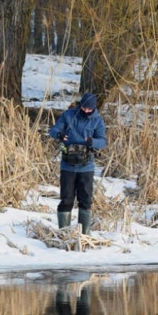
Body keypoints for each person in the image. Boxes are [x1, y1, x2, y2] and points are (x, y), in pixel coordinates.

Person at [49, 93, 107, 235]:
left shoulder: (98, 121)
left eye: (89, 109)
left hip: (86, 167)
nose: (86, 111)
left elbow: (103, 141)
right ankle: (64, 233)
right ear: (80, 105)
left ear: (93, 108)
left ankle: (84, 235)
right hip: (67, 166)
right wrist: (59, 134)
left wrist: (93, 142)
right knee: (66, 200)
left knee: (85, 201)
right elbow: (53, 130)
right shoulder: (68, 115)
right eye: (84, 108)